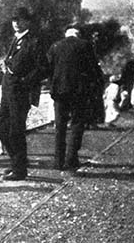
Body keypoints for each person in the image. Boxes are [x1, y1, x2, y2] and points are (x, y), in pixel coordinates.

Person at [0, 7, 47, 180]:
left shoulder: (34, 41)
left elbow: (43, 68)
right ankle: (16, 163)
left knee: (16, 131)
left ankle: (20, 170)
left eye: (20, 20)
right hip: (7, 90)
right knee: (1, 129)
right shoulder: (15, 39)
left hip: (20, 91)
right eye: (14, 20)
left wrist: (25, 82)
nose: (16, 23)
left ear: (27, 21)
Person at [47, 24, 101, 171]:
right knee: (77, 124)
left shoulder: (55, 46)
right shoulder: (85, 45)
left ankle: (58, 161)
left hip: (59, 92)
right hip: (79, 91)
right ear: (78, 34)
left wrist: (53, 87)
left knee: (60, 126)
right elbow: (93, 70)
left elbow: (49, 70)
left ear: (66, 34)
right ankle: (71, 160)